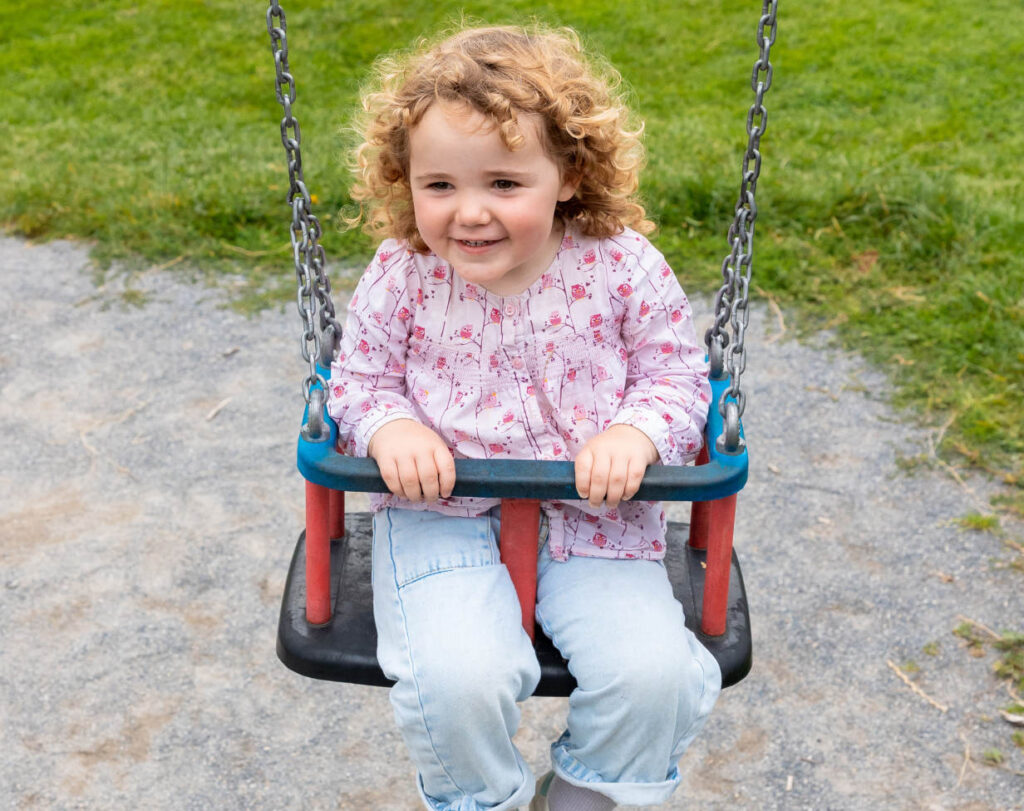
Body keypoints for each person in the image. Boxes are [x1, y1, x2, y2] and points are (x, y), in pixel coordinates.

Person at [328, 23, 720, 811]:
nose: (469, 213)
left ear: (569, 175)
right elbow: (358, 377)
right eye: (439, 185)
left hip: (599, 522)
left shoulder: (621, 264)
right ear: (405, 180)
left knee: (656, 675)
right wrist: (389, 428)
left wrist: (635, 432)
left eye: (504, 184)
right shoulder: (402, 272)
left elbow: (676, 374)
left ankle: (590, 790)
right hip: (439, 515)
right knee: (454, 678)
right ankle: (482, 800)